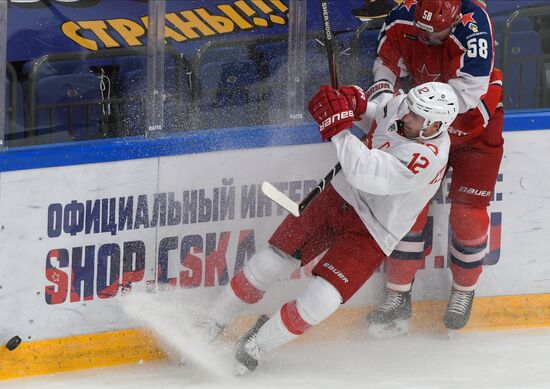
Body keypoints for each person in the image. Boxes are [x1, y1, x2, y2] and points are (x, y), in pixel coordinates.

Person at [202, 81, 458, 374]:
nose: (407, 116)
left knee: (323, 298)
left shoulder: (427, 159)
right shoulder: (406, 108)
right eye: (410, 109)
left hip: (375, 229)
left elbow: (365, 172)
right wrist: (354, 105)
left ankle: (257, 344)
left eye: (417, 117)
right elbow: (378, 117)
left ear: (436, 125)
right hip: (339, 194)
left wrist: (337, 127)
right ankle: (212, 321)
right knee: (270, 263)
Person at [365, 0, 504, 336]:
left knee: (468, 213)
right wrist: (385, 99)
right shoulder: (403, 15)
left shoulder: (475, 26)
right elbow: (386, 63)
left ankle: (463, 291)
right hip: (421, 123)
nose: (427, 38)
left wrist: (414, 110)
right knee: (406, 205)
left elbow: (469, 91)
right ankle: (398, 295)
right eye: (422, 29)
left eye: (436, 31)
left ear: (454, 19)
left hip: (473, 122)